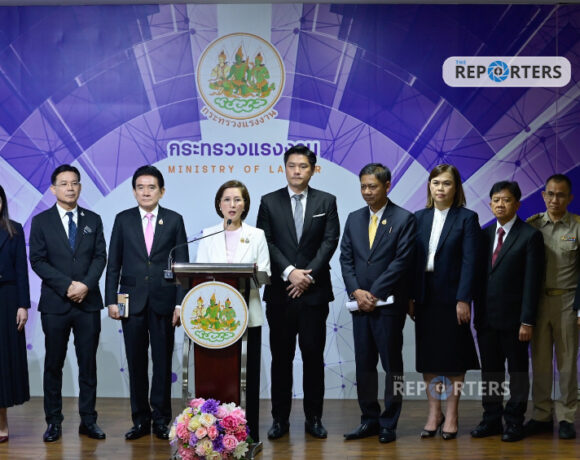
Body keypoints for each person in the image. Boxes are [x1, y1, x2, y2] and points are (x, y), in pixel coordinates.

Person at [256, 145, 339, 440]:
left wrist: (307, 276)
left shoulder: (326, 201)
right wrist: (290, 271)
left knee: (313, 357)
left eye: (303, 166)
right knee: (281, 358)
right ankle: (280, 419)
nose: (297, 171)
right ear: (285, 168)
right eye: (292, 165)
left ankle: (314, 418)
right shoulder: (269, 201)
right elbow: (265, 241)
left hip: (314, 294)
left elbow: (329, 241)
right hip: (281, 294)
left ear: (313, 169)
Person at [105, 165, 188, 440]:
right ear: (134, 191)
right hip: (131, 302)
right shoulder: (123, 219)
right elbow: (114, 263)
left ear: (161, 191)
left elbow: (182, 266)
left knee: (162, 363)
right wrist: (111, 300)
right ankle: (140, 420)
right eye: (140, 187)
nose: (146, 192)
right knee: (136, 362)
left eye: (151, 187)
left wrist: (180, 304)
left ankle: (161, 420)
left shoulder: (174, 220)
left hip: (165, 302)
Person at [29, 164, 107, 442]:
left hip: (88, 303)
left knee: (88, 365)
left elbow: (100, 257)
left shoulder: (93, 219)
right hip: (55, 304)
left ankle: (88, 420)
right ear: (53, 189)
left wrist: (85, 285)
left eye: (74, 183)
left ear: (80, 187)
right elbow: (37, 260)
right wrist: (67, 286)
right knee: (54, 364)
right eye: (64, 183)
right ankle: (53, 421)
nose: (70, 188)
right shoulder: (41, 221)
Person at [340, 163, 416, 444]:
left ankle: (389, 422)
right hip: (360, 304)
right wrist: (356, 292)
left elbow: (402, 261)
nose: (367, 192)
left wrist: (374, 294)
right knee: (364, 365)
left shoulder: (404, 218)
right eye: (363, 186)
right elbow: (346, 258)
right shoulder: (354, 218)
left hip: (389, 306)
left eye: (372, 186)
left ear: (387, 186)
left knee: (392, 366)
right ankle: (369, 419)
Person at [196, 180, 270, 443]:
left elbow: (264, 273)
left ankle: (248, 434)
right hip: (214, 322)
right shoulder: (207, 235)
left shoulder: (257, 235)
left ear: (245, 205)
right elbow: (199, 275)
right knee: (216, 377)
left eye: (237, 200)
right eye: (227, 199)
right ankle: (213, 435)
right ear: (219, 204)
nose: (232, 204)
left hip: (248, 315)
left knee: (248, 379)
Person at [411, 164, 480, 440]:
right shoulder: (418, 218)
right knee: (429, 358)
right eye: (436, 182)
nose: (440, 188)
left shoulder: (467, 218)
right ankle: (434, 413)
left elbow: (471, 262)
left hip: (452, 298)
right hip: (425, 296)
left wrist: (464, 298)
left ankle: (451, 415)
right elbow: (410, 261)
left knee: (453, 359)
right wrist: (411, 296)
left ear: (456, 187)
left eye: (447, 183)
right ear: (429, 186)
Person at [471, 181, 544, 442]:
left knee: (517, 373)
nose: (500, 204)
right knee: (490, 373)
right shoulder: (484, 235)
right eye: (496, 200)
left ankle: (514, 422)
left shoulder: (530, 236)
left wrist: (527, 321)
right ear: (490, 203)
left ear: (517, 204)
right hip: (486, 319)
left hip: (515, 322)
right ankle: (491, 419)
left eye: (506, 200)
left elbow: (532, 282)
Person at [525, 174, 580, 440]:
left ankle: (567, 417)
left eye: (560, 195)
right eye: (550, 194)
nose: (554, 199)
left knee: (567, 363)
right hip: (538, 303)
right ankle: (541, 415)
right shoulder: (532, 226)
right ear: (543, 195)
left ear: (569, 198)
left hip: (568, 302)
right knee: (541, 362)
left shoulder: (578, 227)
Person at [0, 185, 31, 443]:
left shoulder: (14, 229)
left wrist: (23, 305)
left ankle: (2, 421)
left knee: (3, 360)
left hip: (7, 300)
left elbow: (22, 270)